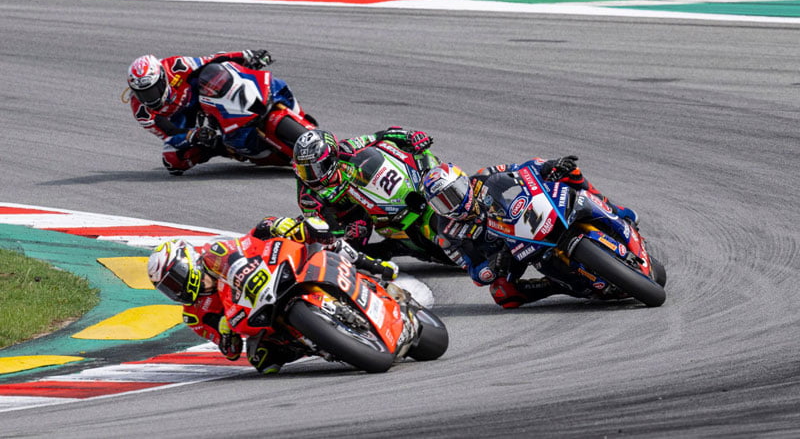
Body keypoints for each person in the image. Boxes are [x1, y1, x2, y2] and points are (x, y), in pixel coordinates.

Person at [147, 216, 399, 374]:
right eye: (167, 288)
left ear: (187, 262)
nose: (175, 289)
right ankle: (325, 344)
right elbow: (231, 352)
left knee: (313, 233)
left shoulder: (214, 252)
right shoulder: (194, 315)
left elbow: (251, 238)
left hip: (271, 277)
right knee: (263, 361)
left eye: (174, 280)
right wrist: (225, 333)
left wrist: (276, 225)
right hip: (255, 316)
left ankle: (371, 265)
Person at [421, 156, 640, 309]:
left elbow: (523, 170)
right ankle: (556, 285)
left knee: (570, 172)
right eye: (442, 203)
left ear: (463, 181)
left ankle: (613, 209)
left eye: (453, 194)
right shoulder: (447, 234)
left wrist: (550, 166)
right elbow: (474, 272)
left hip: (524, 219)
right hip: (508, 252)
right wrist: (490, 267)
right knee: (503, 294)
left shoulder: (483, 177)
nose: (451, 204)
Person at [291, 127, 435, 259]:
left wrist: (410, 136)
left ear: (332, 157)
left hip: (374, 194)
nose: (311, 176)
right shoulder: (308, 197)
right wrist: (346, 232)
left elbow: (380, 136)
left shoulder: (346, 148)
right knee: (347, 255)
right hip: (350, 218)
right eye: (304, 170)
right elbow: (325, 231)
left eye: (316, 168)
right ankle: (394, 248)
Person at [125, 49, 274, 175]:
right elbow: (169, 133)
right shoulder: (142, 111)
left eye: (152, 90)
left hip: (201, 94)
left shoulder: (177, 66)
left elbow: (211, 60)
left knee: (215, 71)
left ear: (162, 78)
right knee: (174, 161)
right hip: (181, 118)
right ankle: (225, 148)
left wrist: (246, 55)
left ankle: (260, 95)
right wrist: (193, 135)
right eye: (142, 93)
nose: (149, 98)